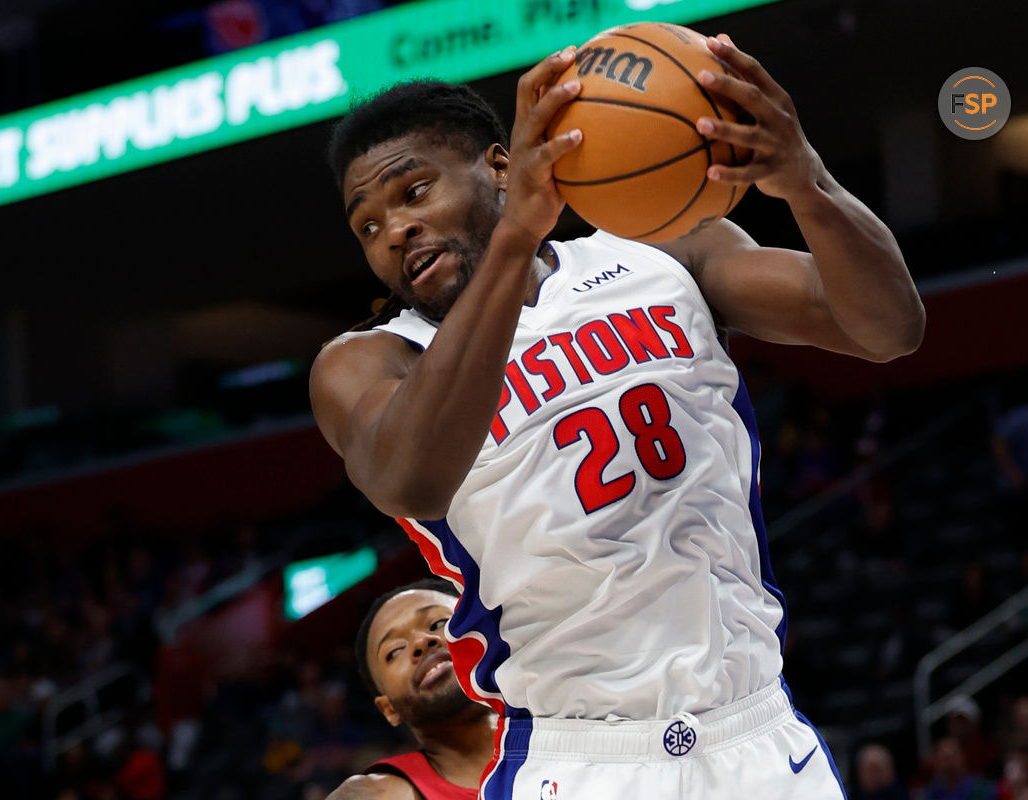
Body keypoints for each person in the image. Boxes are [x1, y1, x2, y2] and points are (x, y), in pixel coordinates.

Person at [310, 30, 925, 798]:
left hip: (758, 740)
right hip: (584, 761)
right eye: (367, 226)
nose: (394, 231)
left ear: (501, 167)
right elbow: (412, 480)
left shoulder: (662, 254)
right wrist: (517, 237)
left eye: (413, 192)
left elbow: (889, 328)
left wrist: (807, 181)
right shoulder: (372, 362)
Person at [327, 578, 496, 799]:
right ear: (388, 709)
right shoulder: (380, 794)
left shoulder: (555, 703)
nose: (421, 642)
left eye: (438, 624)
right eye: (395, 651)